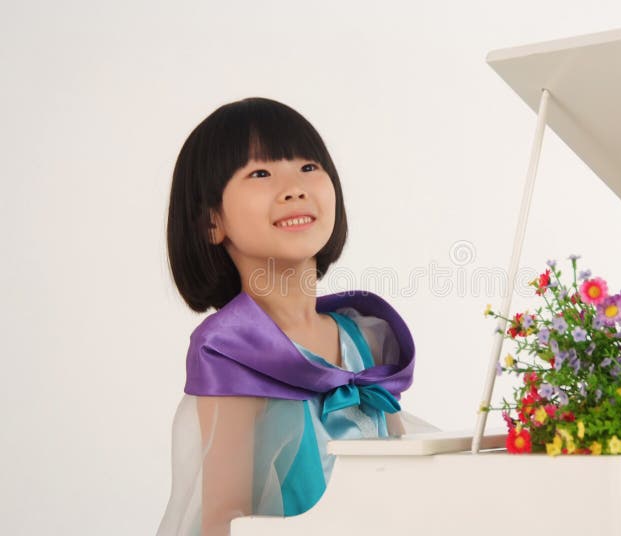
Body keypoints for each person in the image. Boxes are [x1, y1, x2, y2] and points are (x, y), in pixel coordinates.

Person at [156, 97, 438, 536]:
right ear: (212, 222)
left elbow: (404, 469)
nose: (294, 187)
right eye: (261, 173)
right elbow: (224, 515)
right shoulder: (234, 350)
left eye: (308, 167)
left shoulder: (363, 334)